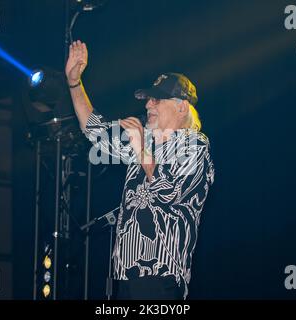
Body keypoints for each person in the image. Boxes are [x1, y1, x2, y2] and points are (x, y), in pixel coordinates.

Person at [65, 40, 215, 300]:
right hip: (124, 278)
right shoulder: (144, 144)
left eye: (156, 100)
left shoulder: (195, 144)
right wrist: (75, 83)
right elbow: (94, 130)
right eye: (148, 101)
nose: (148, 106)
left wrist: (140, 146)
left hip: (159, 280)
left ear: (181, 106)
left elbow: (168, 190)